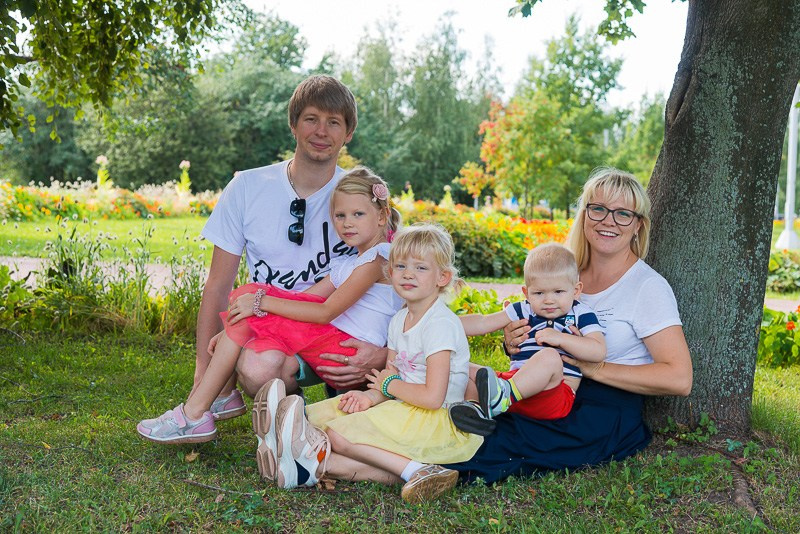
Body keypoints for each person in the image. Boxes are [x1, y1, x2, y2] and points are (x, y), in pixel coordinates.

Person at [447, 167, 693, 483]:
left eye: (623, 214)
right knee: (457, 386)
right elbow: (530, 327)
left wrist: (595, 369)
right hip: (537, 384)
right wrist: (513, 340)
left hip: (599, 407)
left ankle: (422, 470)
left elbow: (679, 378)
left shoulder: (647, 287)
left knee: (489, 443)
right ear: (585, 214)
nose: (608, 221)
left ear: (638, 226)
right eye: (599, 209)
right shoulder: (563, 272)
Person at [137, 168, 403, 444]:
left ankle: (194, 414)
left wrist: (258, 305)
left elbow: (325, 312)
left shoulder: (378, 260)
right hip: (334, 342)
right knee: (255, 301)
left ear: (382, 215)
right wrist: (237, 327)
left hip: (347, 350)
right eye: (340, 215)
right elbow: (305, 299)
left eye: (357, 214)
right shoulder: (349, 263)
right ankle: (217, 403)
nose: (347, 223)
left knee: (255, 295)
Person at [193, 75, 387, 421]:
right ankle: (288, 417)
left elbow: (404, 288)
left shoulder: (361, 198)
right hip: (272, 331)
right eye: (311, 119)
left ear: (349, 133)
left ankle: (339, 396)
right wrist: (204, 376)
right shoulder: (247, 187)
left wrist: (382, 355)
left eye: (334, 122)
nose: (321, 132)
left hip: (342, 338)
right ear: (293, 125)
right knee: (258, 367)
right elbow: (218, 287)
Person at [250, 224, 483, 503]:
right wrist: (368, 397)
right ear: (390, 272)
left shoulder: (440, 324)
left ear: (442, 277)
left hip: (435, 419)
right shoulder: (400, 320)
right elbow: (391, 377)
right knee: (316, 416)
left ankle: (419, 469)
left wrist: (388, 386)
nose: (408, 274)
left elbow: (432, 398)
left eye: (420, 268)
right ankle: (300, 465)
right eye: (400, 266)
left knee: (338, 434)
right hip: (404, 406)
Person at [448, 243, 606, 436]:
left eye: (558, 292)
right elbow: (483, 323)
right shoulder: (523, 309)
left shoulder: (581, 313)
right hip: (514, 385)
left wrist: (561, 338)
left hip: (554, 394)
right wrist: (444, 323)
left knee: (549, 356)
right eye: (539, 293)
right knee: (463, 367)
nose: (549, 300)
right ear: (526, 293)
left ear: (576, 290)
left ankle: (502, 398)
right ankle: (477, 411)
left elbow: (598, 351)